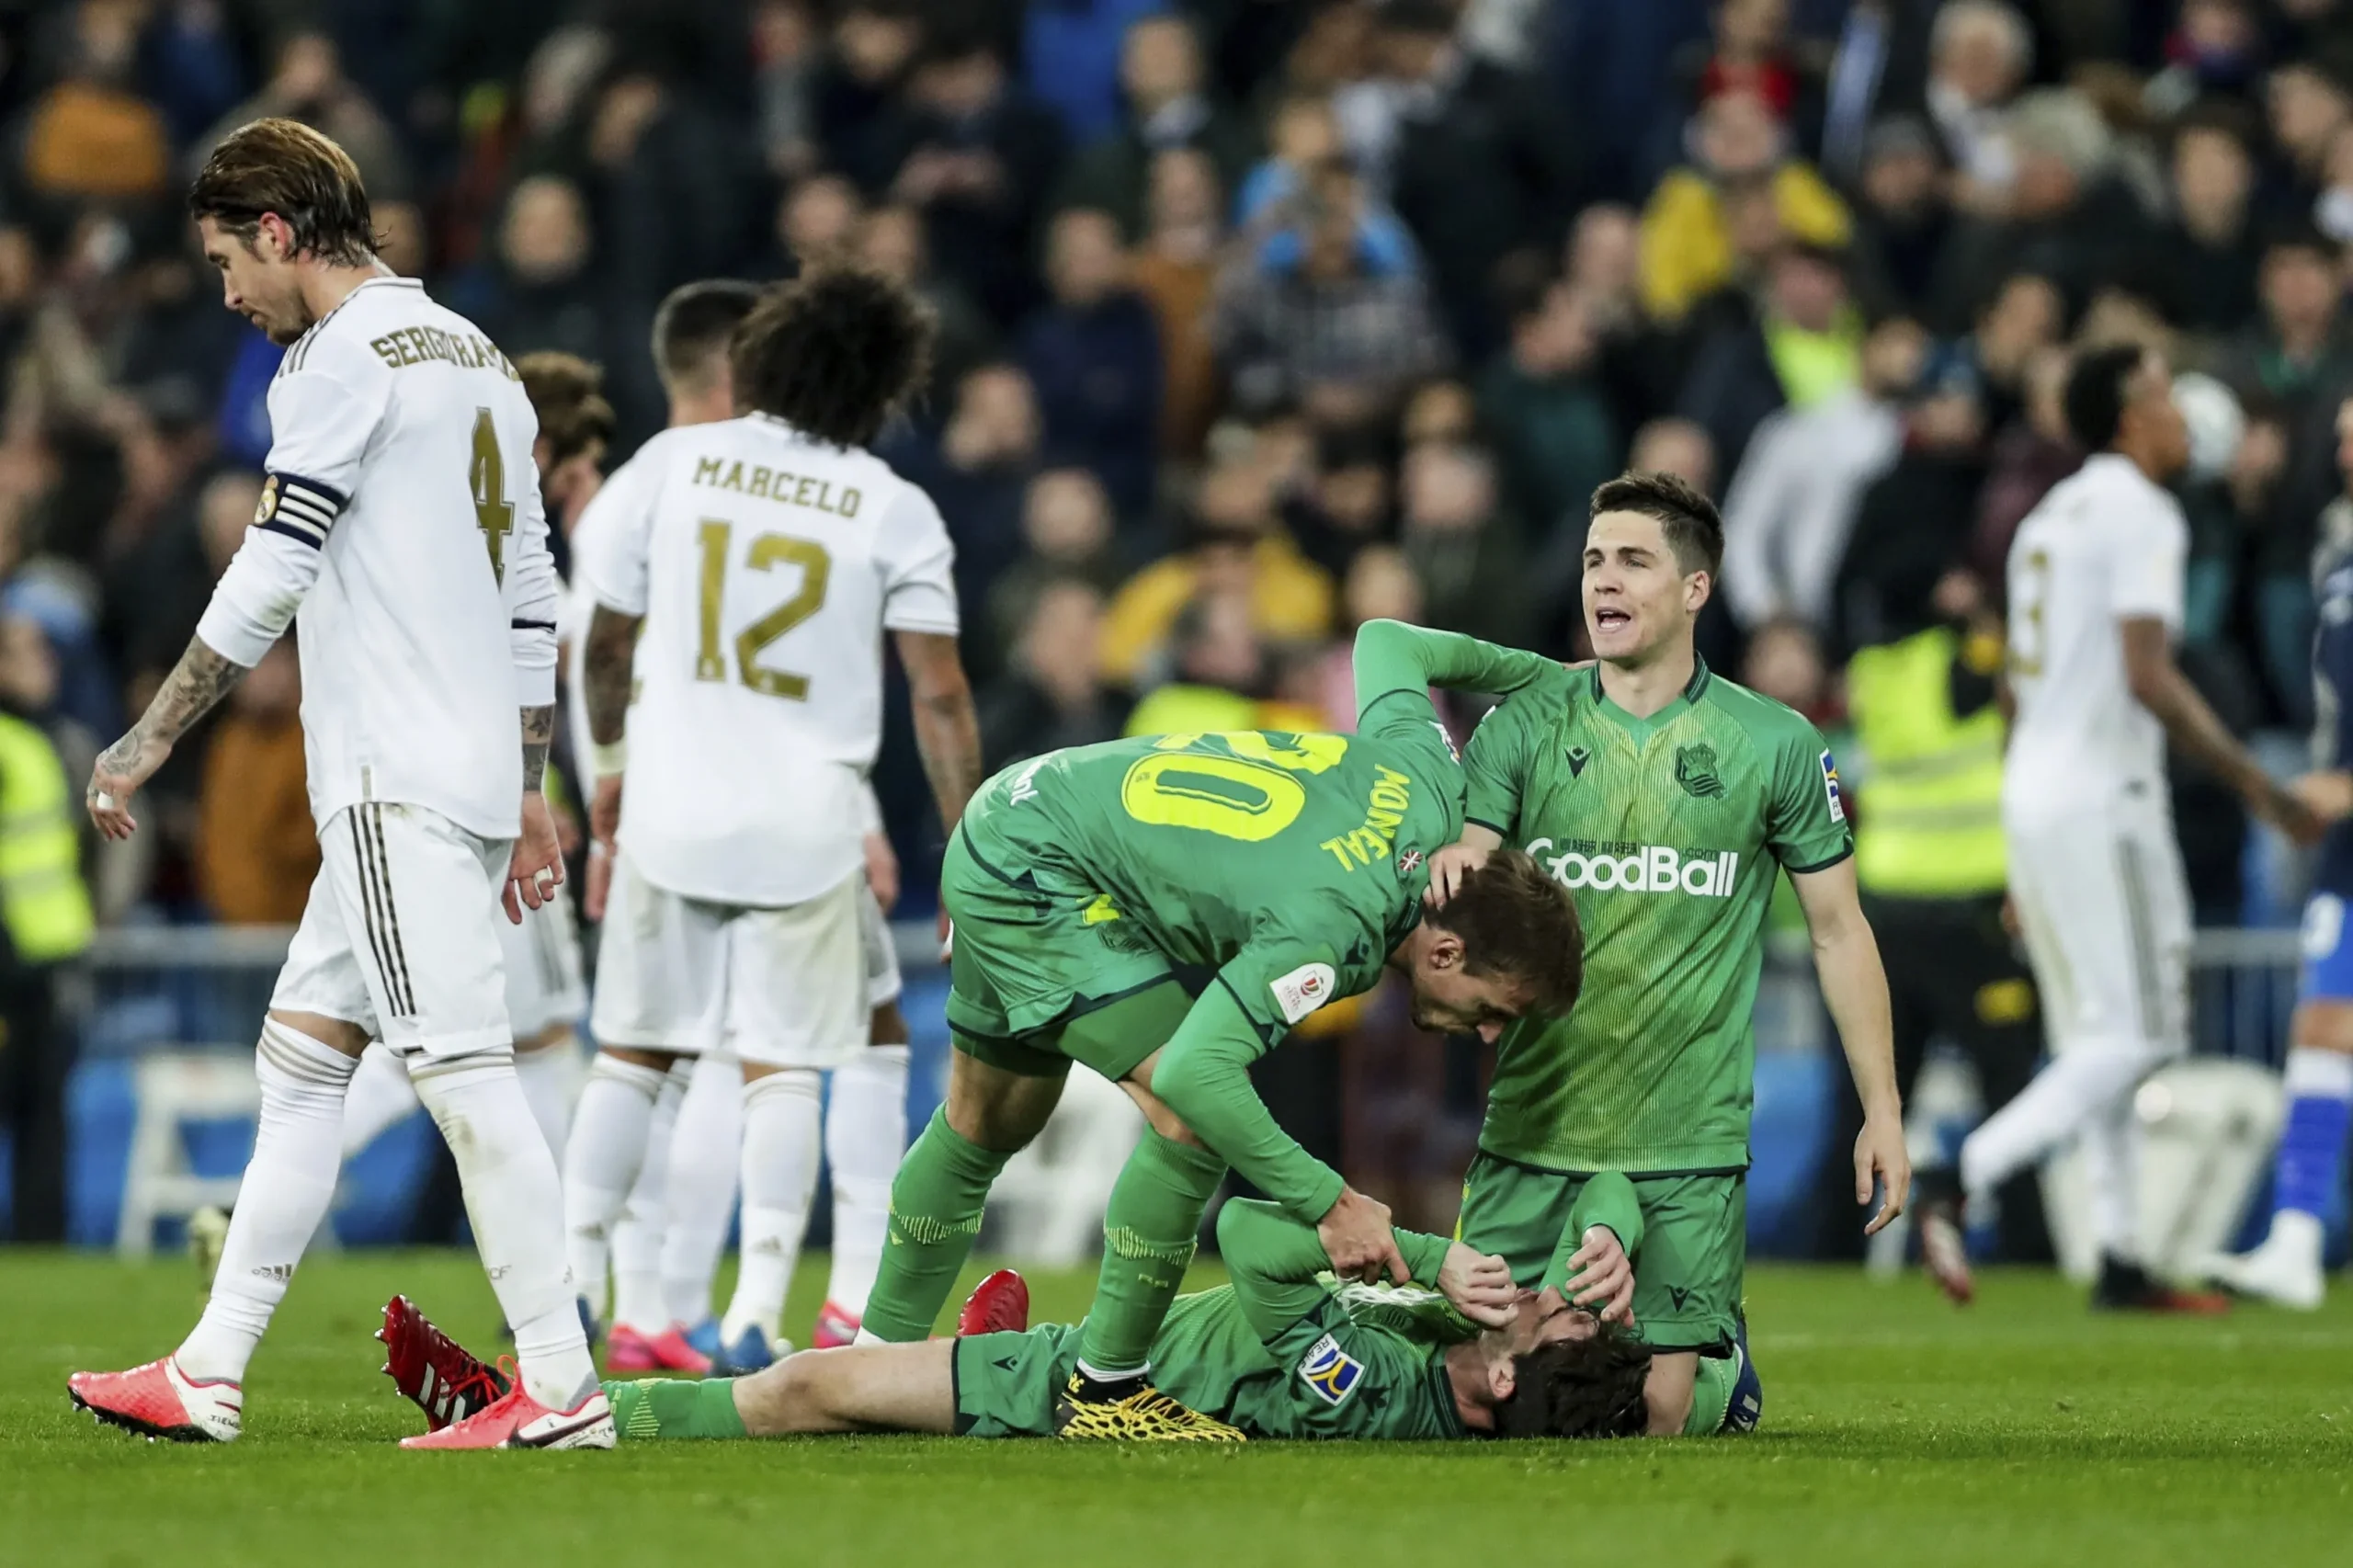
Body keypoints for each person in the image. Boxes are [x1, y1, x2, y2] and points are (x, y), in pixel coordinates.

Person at [67, 119, 607, 1449]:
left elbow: (273, 567)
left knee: (469, 1079)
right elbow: (531, 595)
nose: (230, 295)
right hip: (469, 771)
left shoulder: (335, 360)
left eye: (225, 262)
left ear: (280, 232)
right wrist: (531, 782)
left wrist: (149, 734)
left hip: (392, 779)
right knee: (304, 1061)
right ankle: (210, 1366)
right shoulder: (476, 355)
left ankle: (560, 1383)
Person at [858, 620, 1586, 1440]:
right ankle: (1107, 1392)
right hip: (1045, 874)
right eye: (1495, 1009)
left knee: (985, 1121)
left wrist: (1550, 676)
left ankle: (861, 1366)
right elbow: (1196, 1074)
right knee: (1195, 1120)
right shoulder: (1340, 920)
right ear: (1447, 950)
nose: (1486, 1034)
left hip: (1025, 811)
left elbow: (1389, 642)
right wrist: (1331, 1202)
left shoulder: (1426, 785)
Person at [1423, 471, 1908, 1436]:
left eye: (1633, 560)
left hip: (1685, 1141)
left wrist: (1882, 1109)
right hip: (1533, 1127)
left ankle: (1715, 1369)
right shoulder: (1523, 722)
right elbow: (1464, 879)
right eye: (1594, 560)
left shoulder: (1772, 743)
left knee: (1656, 1419)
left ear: (1694, 589)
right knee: (1480, 1400)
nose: (1603, 579)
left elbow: (1837, 929)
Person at [569, 265, 983, 1382]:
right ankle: (758, 1311)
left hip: (668, 804)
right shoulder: (894, 506)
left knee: (632, 1061)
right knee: (789, 1070)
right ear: (881, 386)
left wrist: (606, 770)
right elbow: (937, 693)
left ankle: (566, 1294)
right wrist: (967, 843)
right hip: (805, 826)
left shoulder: (673, 462)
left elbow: (604, 644)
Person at [1914, 345, 2323, 1311]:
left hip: (2036, 794)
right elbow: (2148, 671)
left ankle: (2121, 1252)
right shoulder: (2144, 512)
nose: (2183, 413)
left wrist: (2020, 839)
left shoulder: (2044, 517)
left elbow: (2016, 684)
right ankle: (1961, 1168)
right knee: (2143, 1029)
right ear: (2131, 419)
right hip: (2107, 797)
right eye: (2164, 398)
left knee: (2095, 1028)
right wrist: (2258, 786)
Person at [379, 1175, 1751, 1445]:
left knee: (805, 1383)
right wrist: (1606, 1240)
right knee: (849, 1387)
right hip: (1099, 1360)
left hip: (1089, 1393)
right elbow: (1619, 1184)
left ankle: (532, 1412)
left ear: (1502, 1382)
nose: (1544, 1301)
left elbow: (1256, 1228)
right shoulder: (1459, 1361)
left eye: (1551, 1323)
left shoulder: (1372, 1386)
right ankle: (530, 1389)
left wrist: (1412, 1246)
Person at [335, 352, 613, 1221]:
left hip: (403, 792)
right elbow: (544, 657)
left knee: (413, 1032)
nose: (587, 488)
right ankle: (565, 1276)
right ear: (541, 457)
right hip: (492, 813)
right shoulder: (517, 550)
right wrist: (543, 796)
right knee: (528, 1041)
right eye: (578, 469)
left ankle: (256, 1199)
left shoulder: (433, 514)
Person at [2200, 396, 2353, 1309]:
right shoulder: (2337, 544)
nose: (2340, 444)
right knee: (2322, 1021)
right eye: (2335, 429)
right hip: (2345, 840)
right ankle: (2294, 1240)